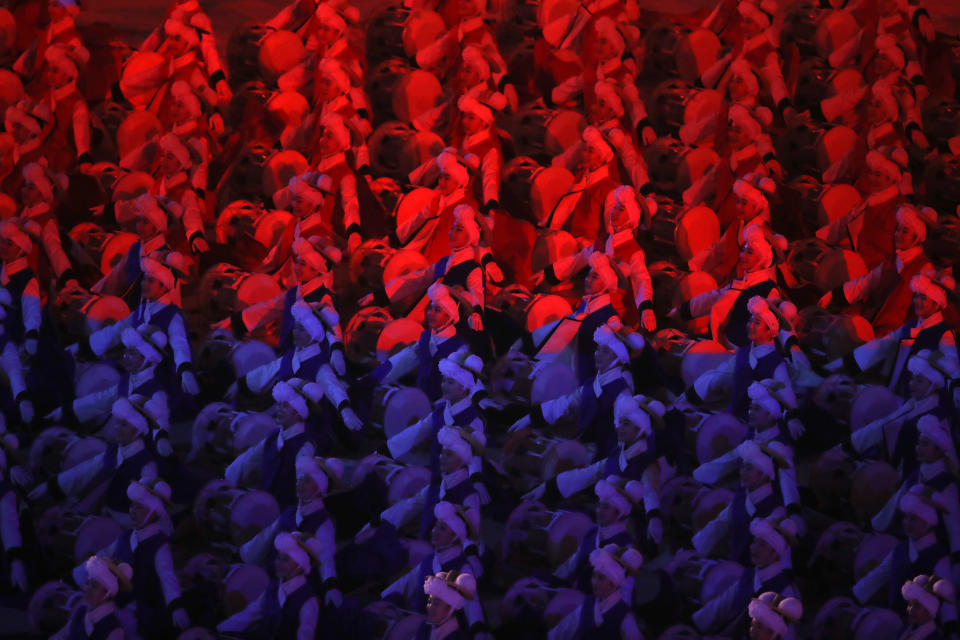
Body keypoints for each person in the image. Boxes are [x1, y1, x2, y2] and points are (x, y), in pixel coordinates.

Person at [96, 478, 189, 638]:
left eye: (139, 507)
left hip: (145, 614)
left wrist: (176, 606)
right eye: (132, 505)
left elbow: (167, 576)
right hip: (117, 603)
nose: (132, 510)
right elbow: (104, 555)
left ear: (153, 512)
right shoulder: (126, 537)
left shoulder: (159, 545)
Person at [217, 532, 321, 640]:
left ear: (299, 567)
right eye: (278, 557)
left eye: (285, 559)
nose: (277, 563)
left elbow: (306, 632)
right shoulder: (273, 589)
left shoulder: (309, 600)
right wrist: (219, 630)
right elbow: (250, 613)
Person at [548, 544, 643, 639]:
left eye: (600, 578)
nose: (594, 582)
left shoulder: (624, 616)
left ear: (612, 584)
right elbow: (565, 628)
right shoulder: (589, 602)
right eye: (593, 576)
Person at [51, 556, 132, 640]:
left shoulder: (114, 630)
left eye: (94, 586)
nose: (87, 589)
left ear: (107, 594)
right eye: (87, 583)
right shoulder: (81, 612)